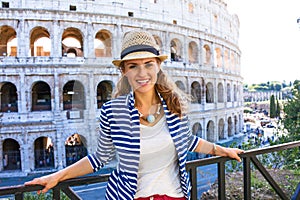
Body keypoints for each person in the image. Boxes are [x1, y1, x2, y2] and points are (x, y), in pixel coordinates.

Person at [25, 30, 244, 200]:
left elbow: (187, 140)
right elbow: (99, 158)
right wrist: (57, 176)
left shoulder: (173, 105)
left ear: (158, 66)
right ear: (124, 71)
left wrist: (222, 150)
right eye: (133, 66)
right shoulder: (112, 111)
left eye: (149, 64)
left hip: (174, 196)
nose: (142, 73)